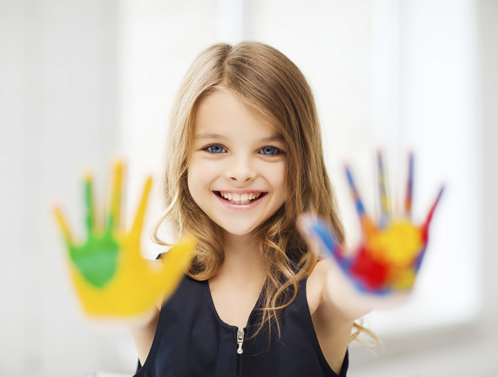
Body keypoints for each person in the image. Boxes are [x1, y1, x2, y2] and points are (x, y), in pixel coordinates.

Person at [55, 41, 441, 377]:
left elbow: (349, 293)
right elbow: (131, 308)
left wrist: (375, 279)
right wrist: (111, 294)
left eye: (269, 150)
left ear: (300, 161)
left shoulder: (321, 287)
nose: (241, 172)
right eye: (216, 148)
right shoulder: (153, 285)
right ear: (184, 157)